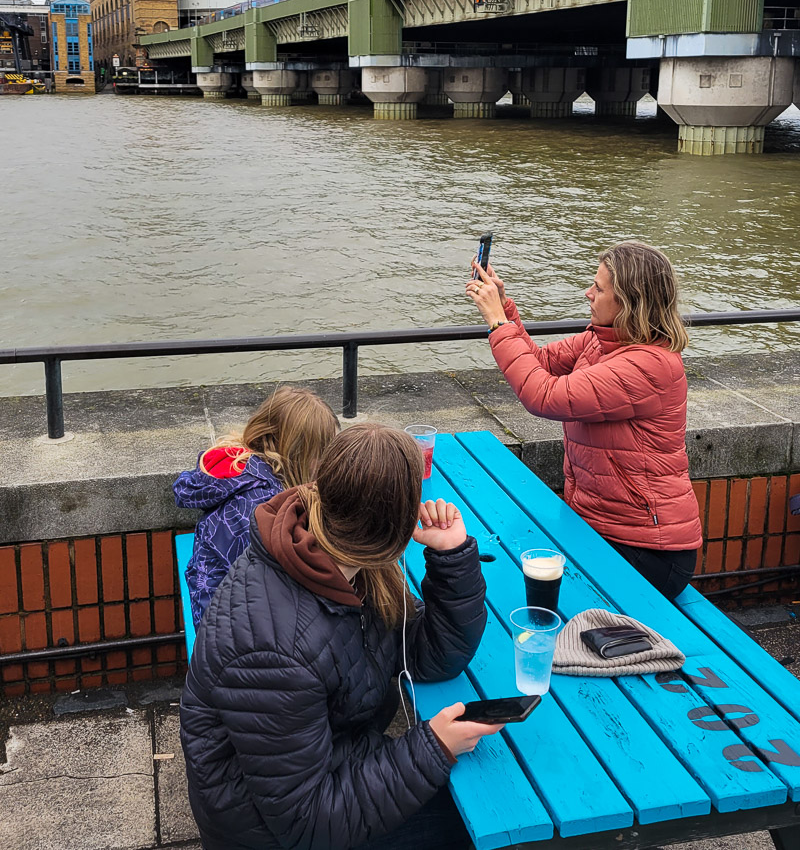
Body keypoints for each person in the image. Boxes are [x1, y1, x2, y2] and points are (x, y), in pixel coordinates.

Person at [180, 423, 499, 850]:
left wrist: (451, 554)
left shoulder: (350, 559)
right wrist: (431, 747)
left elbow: (429, 656)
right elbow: (307, 824)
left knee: (479, 793)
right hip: (268, 831)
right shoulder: (274, 650)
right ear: (399, 526)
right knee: (481, 820)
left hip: (331, 761)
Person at [466, 241, 702, 600]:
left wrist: (497, 322)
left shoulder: (650, 366)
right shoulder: (601, 341)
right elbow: (540, 363)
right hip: (599, 525)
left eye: (599, 288)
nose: (588, 293)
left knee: (519, 594)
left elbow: (543, 395)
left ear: (628, 301)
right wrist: (507, 308)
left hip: (647, 550)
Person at [173, 385, 339, 628]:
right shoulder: (259, 505)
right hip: (226, 634)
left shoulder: (246, 471)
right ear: (298, 452)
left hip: (223, 607)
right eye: (324, 454)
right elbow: (275, 592)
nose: (329, 464)